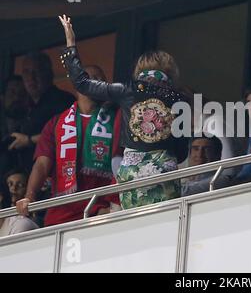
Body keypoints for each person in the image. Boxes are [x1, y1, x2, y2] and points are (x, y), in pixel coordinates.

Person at [58, 14, 188, 210]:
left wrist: (71, 44)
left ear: (139, 71)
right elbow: (181, 153)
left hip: (132, 175)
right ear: (170, 72)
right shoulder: (180, 99)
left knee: (135, 229)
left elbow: (82, 84)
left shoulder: (128, 89)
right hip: (164, 173)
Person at [16, 66, 121, 226]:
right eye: (91, 77)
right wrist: (30, 196)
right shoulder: (57, 123)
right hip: (61, 212)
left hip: (101, 210)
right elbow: (42, 164)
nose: (97, 83)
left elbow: (120, 163)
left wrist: (114, 204)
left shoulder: (117, 119)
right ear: (77, 82)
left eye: (101, 79)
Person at [8, 51, 74, 172]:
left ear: (49, 74)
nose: (31, 78)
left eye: (36, 71)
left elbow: (68, 133)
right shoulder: (25, 106)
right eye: (26, 72)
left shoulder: (63, 100)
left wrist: (29, 140)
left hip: (55, 175)